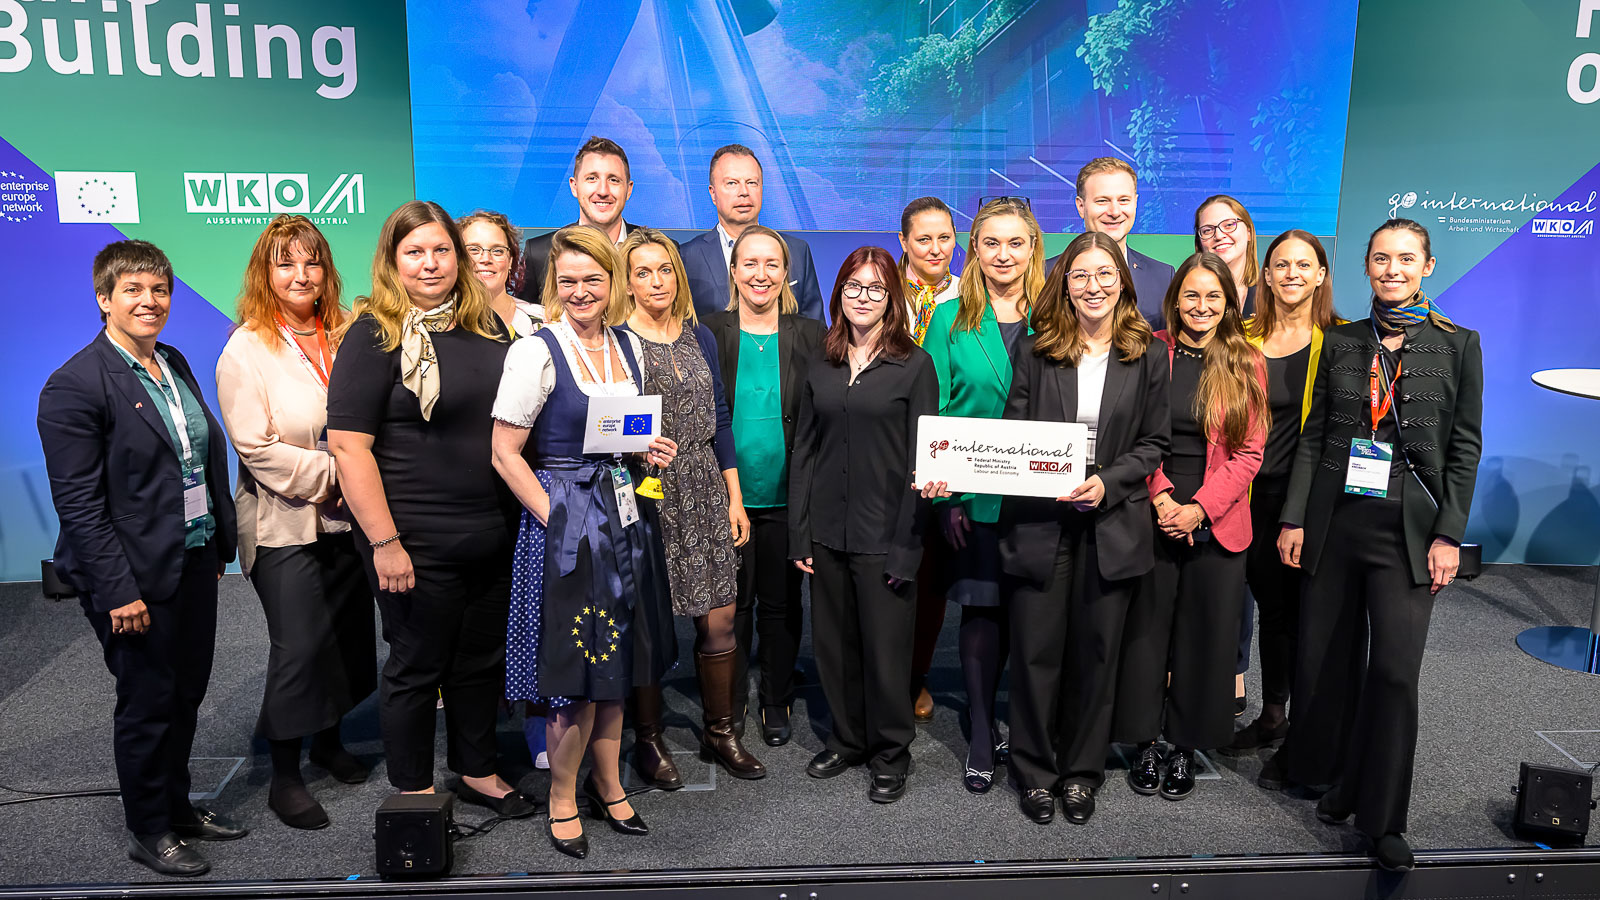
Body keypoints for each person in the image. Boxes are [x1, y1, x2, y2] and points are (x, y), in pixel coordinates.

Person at [1276, 219, 1482, 872]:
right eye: (1381, 258)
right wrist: (1294, 518)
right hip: (1336, 524)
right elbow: (1313, 437)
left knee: (1393, 674)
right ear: (1365, 266)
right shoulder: (1341, 341)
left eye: (1406, 259)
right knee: (1326, 663)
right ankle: (1337, 783)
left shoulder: (1459, 344)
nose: (1393, 269)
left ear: (1427, 266)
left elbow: (1464, 447)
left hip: (1410, 533)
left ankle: (1384, 820)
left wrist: (1449, 533)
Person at [38, 240, 244, 877]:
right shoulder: (74, 385)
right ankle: (149, 828)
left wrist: (215, 541)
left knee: (186, 692)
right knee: (148, 700)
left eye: (159, 290)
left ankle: (178, 806)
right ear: (104, 299)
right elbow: (80, 505)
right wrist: (117, 590)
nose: (149, 301)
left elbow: (195, 458)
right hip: (130, 575)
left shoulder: (171, 361)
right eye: (132, 290)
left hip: (192, 556)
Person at [326, 201, 532, 818]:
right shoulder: (373, 334)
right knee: (418, 665)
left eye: (442, 249)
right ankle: (414, 791)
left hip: (491, 530)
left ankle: (478, 770)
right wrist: (385, 542)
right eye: (414, 252)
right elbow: (348, 447)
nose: (431, 263)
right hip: (411, 540)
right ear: (392, 261)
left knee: (479, 660)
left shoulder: (489, 328)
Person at [490, 225, 680, 859]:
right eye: (567, 280)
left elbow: (621, 434)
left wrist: (647, 449)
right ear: (553, 284)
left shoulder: (628, 344)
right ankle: (562, 797)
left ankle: (610, 783)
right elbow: (504, 453)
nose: (580, 291)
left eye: (592, 279)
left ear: (612, 283)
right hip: (566, 522)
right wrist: (558, 518)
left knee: (614, 664)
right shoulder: (534, 352)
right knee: (575, 673)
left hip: (622, 514)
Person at [1000, 231, 1169, 826]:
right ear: (1064, 284)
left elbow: (1154, 442)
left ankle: (1080, 773)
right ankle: (1035, 773)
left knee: (1097, 655)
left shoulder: (1148, 353)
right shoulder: (1035, 347)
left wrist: (1109, 481)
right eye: (1080, 275)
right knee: (1035, 652)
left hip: (1112, 520)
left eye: (1104, 274)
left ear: (1122, 281)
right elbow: (1014, 430)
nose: (1093, 286)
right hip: (1041, 519)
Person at [215, 216, 374, 830]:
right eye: (286, 263)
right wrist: (343, 475)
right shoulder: (247, 348)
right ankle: (284, 774)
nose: (301, 275)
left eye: (312, 262)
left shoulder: (349, 332)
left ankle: (329, 742)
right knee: (300, 646)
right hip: (284, 524)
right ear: (266, 273)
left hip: (351, 523)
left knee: (346, 635)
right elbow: (256, 448)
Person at [1112, 252, 1267, 802]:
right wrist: (1161, 499)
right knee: (1145, 636)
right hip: (1150, 511)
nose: (1201, 306)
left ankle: (1184, 745)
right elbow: (1132, 434)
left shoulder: (1246, 360)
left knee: (1205, 640)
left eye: (1213, 297)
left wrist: (1199, 508)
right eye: (1191, 295)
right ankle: (1143, 742)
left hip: (1216, 519)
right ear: (1175, 299)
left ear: (1229, 304)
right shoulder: (1149, 349)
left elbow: (1249, 453)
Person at [615, 227, 766, 782]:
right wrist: (636, 446)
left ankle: (719, 733)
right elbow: (609, 424)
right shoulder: (617, 342)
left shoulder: (699, 334)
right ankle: (649, 740)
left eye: (665, 270)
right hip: (645, 490)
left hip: (705, 484)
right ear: (627, 283)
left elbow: (721, 418)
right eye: (643, 272)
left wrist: (735, 497)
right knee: (647, 623)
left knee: (721, 617)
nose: (656, 281)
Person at [791, 246, 937, 804]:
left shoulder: (914, 365)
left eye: (875, 288)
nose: (863, 297)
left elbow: (925, 461)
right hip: (827, 530)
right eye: (853, 286)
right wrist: (800, 533)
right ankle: (848, 740)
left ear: (891, 297)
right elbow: (805, 450)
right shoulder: (822, 361)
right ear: (839, 294)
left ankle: (891, 752)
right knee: (833, 646)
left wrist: (909, 546)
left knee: (885, 652)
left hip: (886, 534)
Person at [918, 197, 1043, 792]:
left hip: (1044, 496)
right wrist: (947, 500)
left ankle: (1026, 724)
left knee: (1032, 616)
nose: (1004, 254)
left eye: (1015, 242)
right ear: (975, 249)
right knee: (982, 609)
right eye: (991, 242)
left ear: (1033, 247)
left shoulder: (1058, 315)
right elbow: (935, 410)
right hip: (975, 498)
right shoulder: (949, 318)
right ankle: (978, 729)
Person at [703, 226, 826, 748]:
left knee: (782, 605)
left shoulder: (813, 335)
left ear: (786, 274)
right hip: (725, 496)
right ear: (733, 271)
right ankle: (728, 702)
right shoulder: (709, 332)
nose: (760, 274)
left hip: (788, 497)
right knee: (734, 605)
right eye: (749, 263)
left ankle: (776, 699)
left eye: (771, 264)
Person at [1226, 230, 1340, 771]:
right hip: (1242, 494)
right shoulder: (1240, 336)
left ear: (1321, 275)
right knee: (1269, 612)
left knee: (1305, 615)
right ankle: (1273, 715)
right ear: (1265, 275)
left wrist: (1301, 513)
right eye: (1281, 265)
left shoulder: (1339, 341)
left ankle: (1311, 727)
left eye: (1303, 265)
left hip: (1306, 503)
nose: (1292, 274)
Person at [900, 195, 963, 724]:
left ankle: (916, 673)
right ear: (904, 242)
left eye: (945, 238)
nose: (936, 248)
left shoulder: (971, 297)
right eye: (924, 239)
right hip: (890, 449)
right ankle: (878, 671)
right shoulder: (878, 290)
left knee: (932, 576)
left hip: (948, 454)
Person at [679, 144, 825, 321]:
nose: (744, 192)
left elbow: (815, 328)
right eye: (732, 183)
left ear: (762, 188)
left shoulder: (797, 250)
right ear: (713, 193)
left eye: (751, 183)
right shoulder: (687, 257)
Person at [516, 137, 657, 301]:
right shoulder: (540, 253)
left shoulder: (660, 251)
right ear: (574, 186)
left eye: (613, 180)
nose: (603, 191)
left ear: (628, 189)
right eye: (592, 178)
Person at [1046, 157, 1173, 325]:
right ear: (1081, 206)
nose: (1114, 212)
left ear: (1135, 203)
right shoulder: (1044, 274)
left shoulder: (1163, 276)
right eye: (1102, 201)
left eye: (1123, 200)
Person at [460, 210, 539, 336]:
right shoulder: (442, 324)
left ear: (510, 260)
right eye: (474, 249)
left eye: (497, 251)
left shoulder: (544, 321)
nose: (486, 259)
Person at [1194, 195, 1259, 317]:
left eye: (1229, 225)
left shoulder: (1271, 298)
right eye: (1207, 230)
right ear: (1199, 242)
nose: (1219, 236)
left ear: (1248, 232)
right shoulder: (1186, 300)